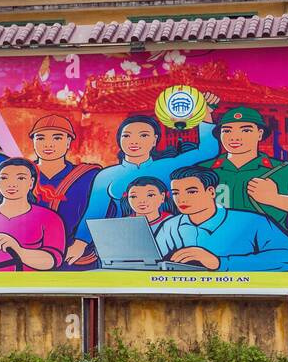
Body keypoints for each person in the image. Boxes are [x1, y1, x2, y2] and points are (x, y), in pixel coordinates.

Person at [0, 97, 98, 262]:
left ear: (68, 142)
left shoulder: (87, 176)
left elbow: (100, 210)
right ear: (33, 141)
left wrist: (82, 242)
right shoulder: (19, 172)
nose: (48, 144)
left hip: (74, 259)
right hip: (25, 258)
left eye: (57, 138)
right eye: (41, 138)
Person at [71, 98, 221, 263]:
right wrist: (80, 243)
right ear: (119, 139)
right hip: (126, 239)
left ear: (155, 140)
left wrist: (205, 114)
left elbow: (208, 150)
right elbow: (95, 212)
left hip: (172, 235)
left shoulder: (169, 165)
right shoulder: (106, 176)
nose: (134, 141)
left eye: (143, 135)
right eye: (127, 136)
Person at [154, 165, 288, 271]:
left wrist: (220, 263)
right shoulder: (170, 226)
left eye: (191, 192)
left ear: (211, 192)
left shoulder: (252, 221)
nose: (181, 199)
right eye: (176, 193)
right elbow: (151, 259)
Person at [197, 106, 288, 233]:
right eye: (227, 131)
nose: (234, 137)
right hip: (215, 240)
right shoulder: (201, 171)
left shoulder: (286, 172)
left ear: (260, 134)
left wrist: (275, 199)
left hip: (268, 242)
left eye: (246, 130)